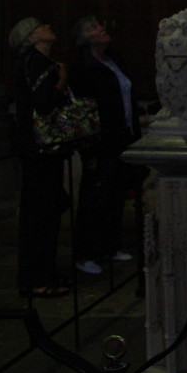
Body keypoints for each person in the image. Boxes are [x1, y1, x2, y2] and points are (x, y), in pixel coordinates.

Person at [69, 16, 146, 274]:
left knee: (115, 194)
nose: (101, 29)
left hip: (123, 136)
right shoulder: (83, 68)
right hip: (102, 141)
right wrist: (88, 149)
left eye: (100, 26)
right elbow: (84, 111)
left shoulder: (114, 60)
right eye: (93, 28)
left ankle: (110, 246)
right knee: (95, 197)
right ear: (84, 38)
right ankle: (86, 253)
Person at [8, 17, 72, 298]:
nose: (48, 26)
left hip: (43, 150)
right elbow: (43, 104)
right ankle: (37, 278)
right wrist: (61, 81)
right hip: (40, 149)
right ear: (32, 38)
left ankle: (44, 273)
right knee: (40, 216)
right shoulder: (34, 64)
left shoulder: (37, 62)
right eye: (41, 27)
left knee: (47, 214)